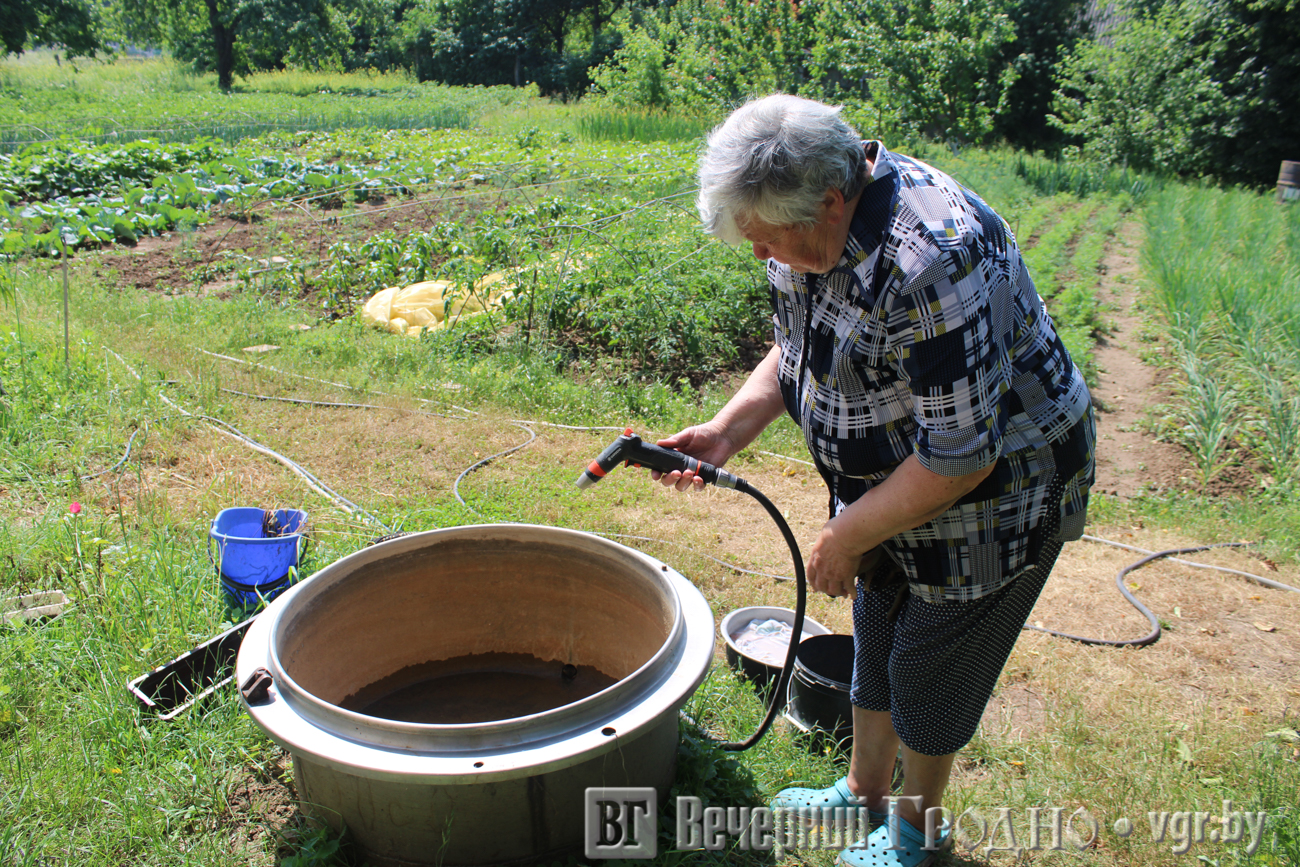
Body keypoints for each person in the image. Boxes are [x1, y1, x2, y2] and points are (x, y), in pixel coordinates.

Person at [652, 94, 1095, 867]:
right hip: (898, 473)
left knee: (930, 668)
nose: (764, 256)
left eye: (770, 240)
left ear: (830, 200)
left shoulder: (932, 258)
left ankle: (916, 838)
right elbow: (799, 345)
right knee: (878, 627)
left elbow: (961, 457)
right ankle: (862, 793)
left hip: (998, 490)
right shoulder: (808, 231)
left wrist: (844, 532)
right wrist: (727, 430)